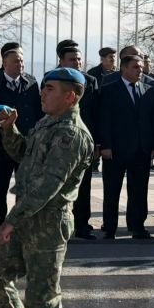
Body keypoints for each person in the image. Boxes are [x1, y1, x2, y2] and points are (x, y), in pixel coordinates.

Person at [0, 67, 94, 308]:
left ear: (70, 96)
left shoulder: (71, 134)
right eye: (43, 88)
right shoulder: (48, 123)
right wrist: (10, 130)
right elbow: (23, 154)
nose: (42, 93)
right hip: (28, 217)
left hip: (46, 223)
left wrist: (11, 220)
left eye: (50, 89)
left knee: (42, 298)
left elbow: (48, 186)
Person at [0, 44, 42, 227]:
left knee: (23, 185)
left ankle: (20, 220)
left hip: (25, 144)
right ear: (5, 63)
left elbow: (37, 112)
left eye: (22, 61)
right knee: (0, 185)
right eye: (16, 61)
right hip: (1, 145)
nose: (20, 64)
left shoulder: (31, 82)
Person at [98, 54, 154, 238]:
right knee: (112, 191)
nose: (140, 70)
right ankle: (110, 228)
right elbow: (104, 120)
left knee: (139, 191)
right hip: (116, 150)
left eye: (141, 67)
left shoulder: (147, 90)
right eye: (135, 67)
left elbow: (152, 120)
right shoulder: (109, 90)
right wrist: (105, 145)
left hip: (141, 150)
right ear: (123, 68)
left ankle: (138, 226)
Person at [56, 41, 100, 241]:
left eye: (79, 59)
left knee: (84, 185)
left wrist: (98, 143)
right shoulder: (52, 79)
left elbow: (96, 113)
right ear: (62, 62)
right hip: (59, 140)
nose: (77, 63)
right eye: (72, 60)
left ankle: (82, 224)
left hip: (84, 141)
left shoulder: (90, 81)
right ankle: (58, 225)